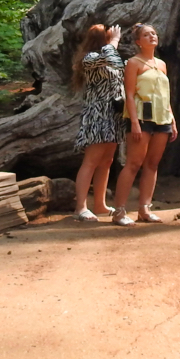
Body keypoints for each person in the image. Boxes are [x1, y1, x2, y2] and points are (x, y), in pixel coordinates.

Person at [112, 23, 177, 225]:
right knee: (133, 163)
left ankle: (144, 209)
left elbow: (165, 96)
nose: (152, 37)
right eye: (146, 35)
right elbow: (129, 94)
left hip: (162, 118)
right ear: (138, 42)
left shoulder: (162, 64)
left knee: (152, 164)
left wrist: (172, 120)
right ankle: (120, 211)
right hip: (141, 118)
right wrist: (134, 123)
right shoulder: (133, 63)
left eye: (154, 34)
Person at [71, 23, 124, 221]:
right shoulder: (90, 58)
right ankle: (80, 207)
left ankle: (100, 204)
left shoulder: (109, 57)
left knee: (107, 160)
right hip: (97, 115)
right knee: (91, 161)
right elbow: (111, 59)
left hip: (114, 115)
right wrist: (115, 40)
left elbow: (118, 67)